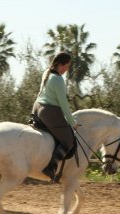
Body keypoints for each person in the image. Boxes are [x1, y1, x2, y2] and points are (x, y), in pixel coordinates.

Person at [32, 52, 78, 182]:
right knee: (69, 140)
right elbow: (63, 104)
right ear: (61, 65)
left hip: (37, 108)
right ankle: (50, 167)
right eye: (67, 66)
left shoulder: (47, 72)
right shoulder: (58, 80)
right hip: (49, 112)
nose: (67, 69)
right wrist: (72, 122)